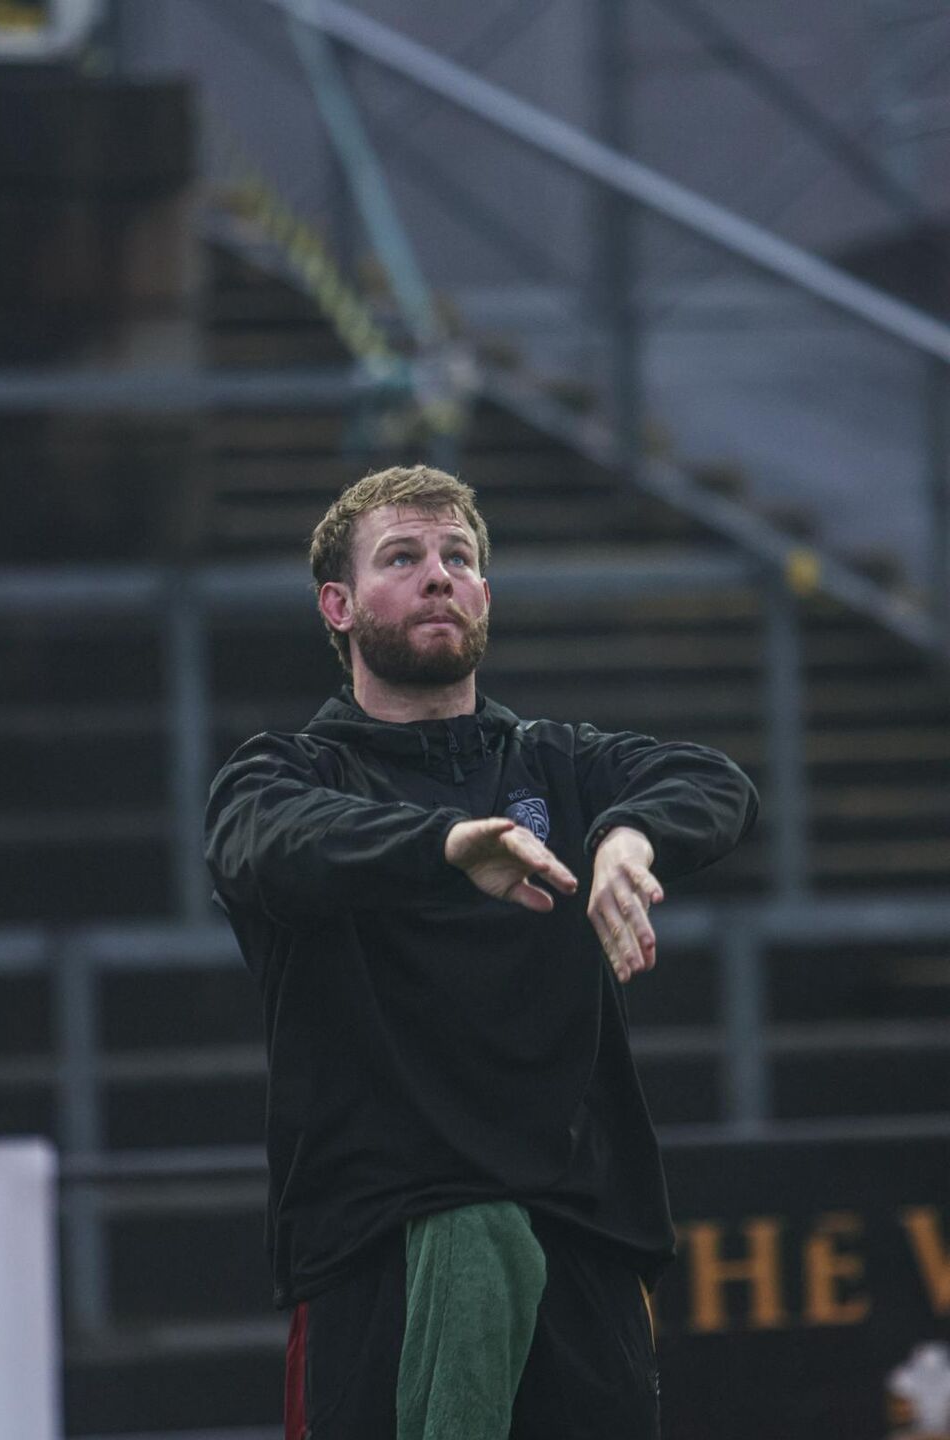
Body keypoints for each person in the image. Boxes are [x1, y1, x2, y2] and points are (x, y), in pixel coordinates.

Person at [204, 464, 758, 1440]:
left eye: (458, 557)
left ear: (486, 596)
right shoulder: (287, 773)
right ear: (337, 606)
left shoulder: (558, 763)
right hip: (382, 1247)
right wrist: (448, 845)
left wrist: (629, 835)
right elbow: (266, 841)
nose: (438, 576)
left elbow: (713, 781)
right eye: (402, 558)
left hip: (580, 1240)